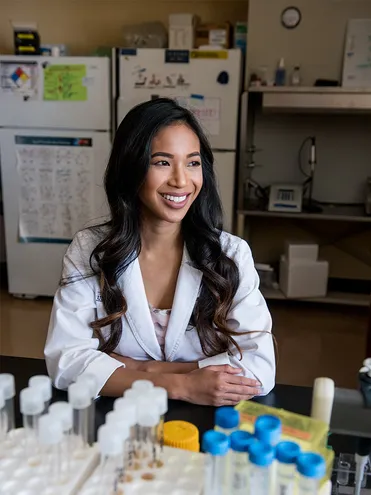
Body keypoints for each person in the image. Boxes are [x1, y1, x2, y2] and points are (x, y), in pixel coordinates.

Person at [45, 98, 275, 406]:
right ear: (131, 168)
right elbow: (65, 361)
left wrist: (137, 369)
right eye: (162, 162)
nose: (181, 180)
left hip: (205, 428)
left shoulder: (230, 254)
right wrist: (181, 384)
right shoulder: (90, 250)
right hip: (120, 419)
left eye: (192, 163)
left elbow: (259, 369)